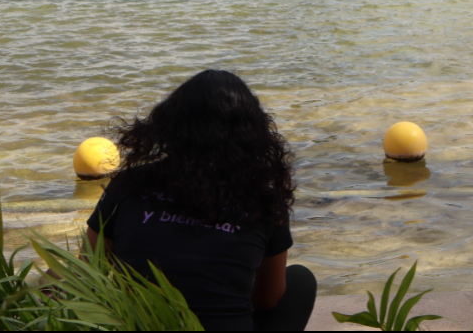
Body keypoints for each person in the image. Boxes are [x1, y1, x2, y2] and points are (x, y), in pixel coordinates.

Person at [88, 69, 316, 331]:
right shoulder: (263, 198)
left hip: (140, 324)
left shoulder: (128, 184)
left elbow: (85, 270)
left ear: (169, 124)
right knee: (299, 281)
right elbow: (268, 299)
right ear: (252, 134)